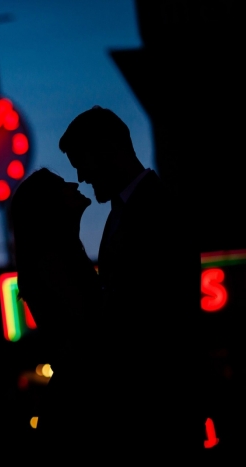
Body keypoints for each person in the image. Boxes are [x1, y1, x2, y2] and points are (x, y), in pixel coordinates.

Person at [59, 106, 203, 459]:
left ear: (110, 149)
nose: (80, 174)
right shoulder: (132, 210)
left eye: (82, 160)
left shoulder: (155, 212)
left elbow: (149, 314)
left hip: (158, 411)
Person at [8, 168, 102, 456]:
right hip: (88, 401)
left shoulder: (53, 258)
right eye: (61, 184)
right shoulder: (53, 261)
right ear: (49, 207)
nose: (73, 183)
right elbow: (90, 326)